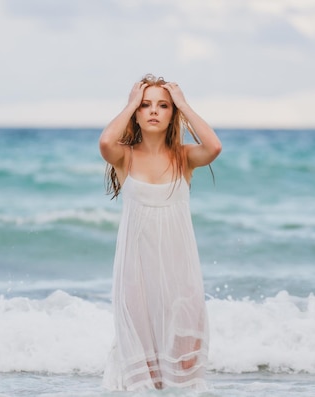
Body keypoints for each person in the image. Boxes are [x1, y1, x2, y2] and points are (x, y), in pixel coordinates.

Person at [99, 74, 222, 391]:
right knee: (146, 369)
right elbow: (105, 143)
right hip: (137, 273)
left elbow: (214, 146)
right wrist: (128, 104)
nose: (153, 111)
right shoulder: (125, 156)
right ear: (136, 113)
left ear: (172, 114)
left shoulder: (184, 157)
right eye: (145, 105)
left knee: (184, 363)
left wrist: (183, 103)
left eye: (162, 105)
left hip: (180, 271)